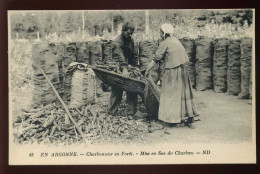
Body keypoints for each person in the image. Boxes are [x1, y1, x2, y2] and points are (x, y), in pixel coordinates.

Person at [145, 23, 199, 128]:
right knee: (184, 93)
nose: (160, 34)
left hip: (172, 71)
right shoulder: (176, 40)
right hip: (183, 70)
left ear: (164, 33)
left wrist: (147, 70)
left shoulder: (165, 43)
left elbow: (156, 59)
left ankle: (169, 120)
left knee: (169, 94)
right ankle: (190, 118)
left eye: (161, 32)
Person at [109, 22, 145, 118]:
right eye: (128, 33)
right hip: (118, 66)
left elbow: (134, 55)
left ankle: (131, 112)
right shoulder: (117, 42)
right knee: (117, 88)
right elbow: (118, 56)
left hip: (127, 66)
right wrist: (124, 68)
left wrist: (134, 67)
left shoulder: (131, 41)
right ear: (123, 31)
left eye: (131, 33)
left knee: (132, 87)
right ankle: (112, 112)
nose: (129, 35)